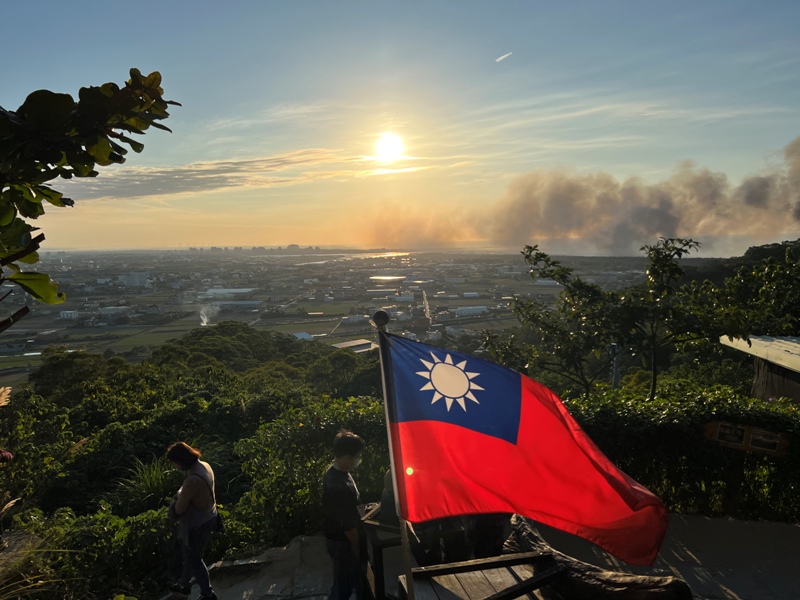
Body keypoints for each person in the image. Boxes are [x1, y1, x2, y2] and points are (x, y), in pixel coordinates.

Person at [166, 441, 218, 600]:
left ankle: (207, 594)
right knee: (191, 554)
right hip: (210, 515)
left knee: (194, 559)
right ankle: (184, 584)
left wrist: (173, 507)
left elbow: (180, 508)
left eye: (174, 463)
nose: (175, 467)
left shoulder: (192, 480)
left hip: (198, 523)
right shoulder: (204, 466)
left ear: (181, 461)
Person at [322, 430, 366, 600]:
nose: (358, 459)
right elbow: (346, 524)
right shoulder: (338, 486)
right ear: (346, 457)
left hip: (336, 538)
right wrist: (355, 545)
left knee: (350, 578)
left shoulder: (335, 472)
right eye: (356, 456)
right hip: (342, 542)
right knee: (343, 586)